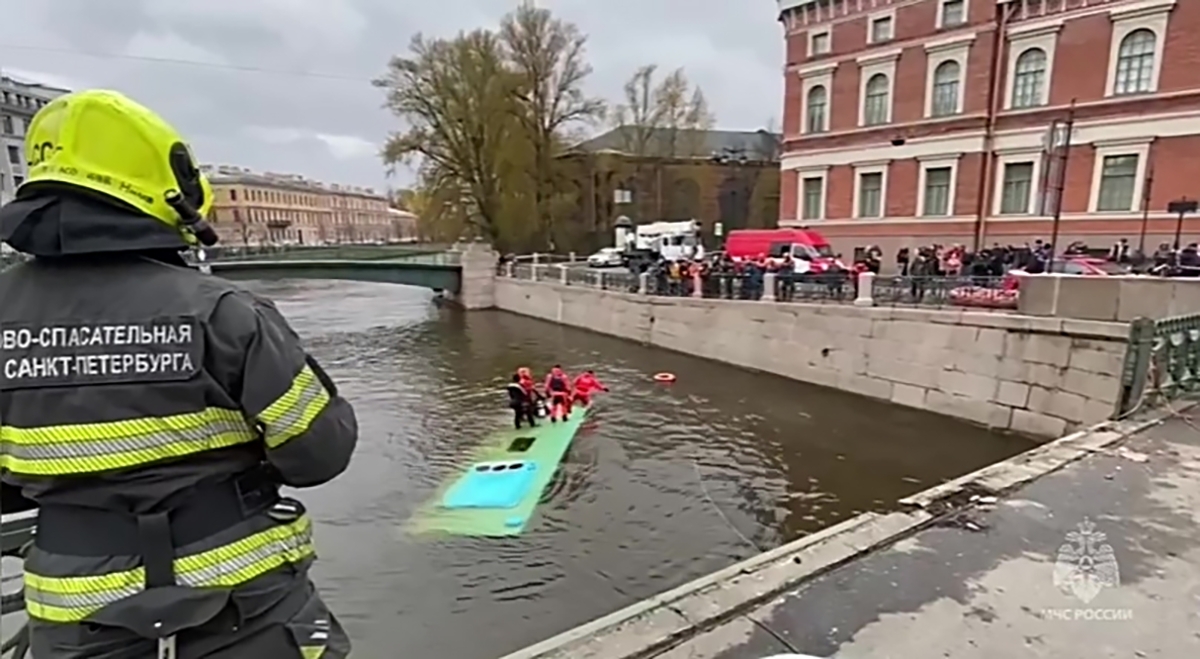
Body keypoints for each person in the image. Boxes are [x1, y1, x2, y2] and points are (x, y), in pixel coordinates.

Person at [0, 90, 357, 658]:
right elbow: (319, 454)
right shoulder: (223, 312)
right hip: (243, 606)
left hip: (74, 611)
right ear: (168, 189)